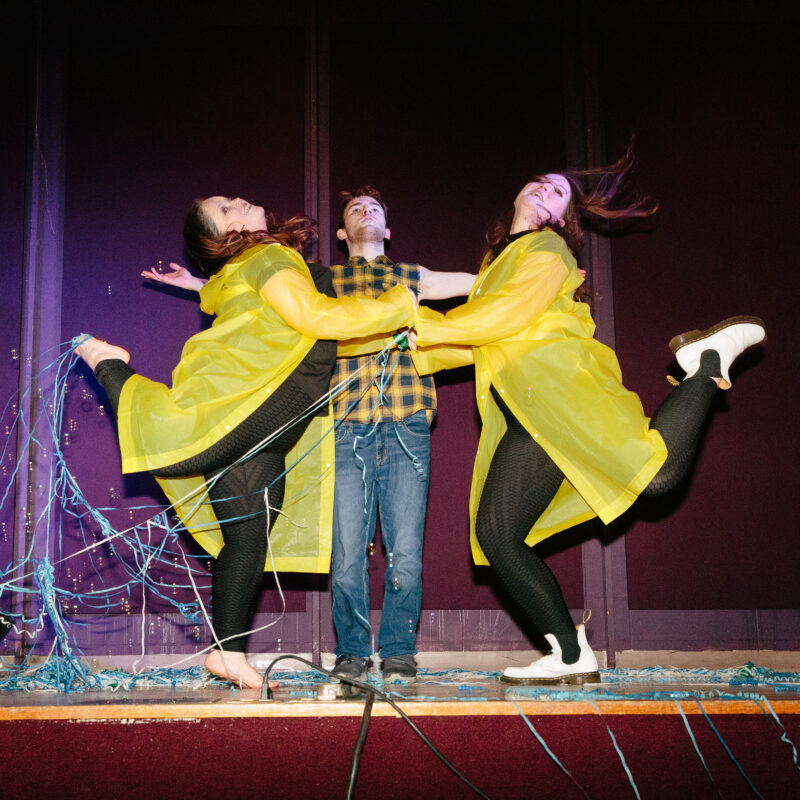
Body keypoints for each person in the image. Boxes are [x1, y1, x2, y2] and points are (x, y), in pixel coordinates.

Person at [411, 149, 765, 684]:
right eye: (538, 182)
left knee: (657, 477)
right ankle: (571, 655)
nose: (544, 192)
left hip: (560, 394)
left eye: (558, 193)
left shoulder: (546, 248)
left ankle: (705, 361)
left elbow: (505, 316)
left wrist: (426, 330)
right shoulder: (496, 266)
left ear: (562, 219)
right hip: (530, 409)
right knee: (498, 535)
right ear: (516, 195)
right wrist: (415, 350)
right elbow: (481, 336)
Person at [78, 196, 416, 690]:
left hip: (257, 399)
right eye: (229, 204)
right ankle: (109, 363)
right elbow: (316, 316)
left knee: (247, 536)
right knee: (180, 441)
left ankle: (229, 654)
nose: (243, 199)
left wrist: (198, 284)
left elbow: (244, 294)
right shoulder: (271, 256)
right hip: (249, 396)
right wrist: (400, 303)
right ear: (229, 227)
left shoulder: (252, 264)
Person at [144, 187, 476, 682]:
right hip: (343, 425)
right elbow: (259, 295)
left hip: (407, 422)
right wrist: (196, 283)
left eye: (375, 209)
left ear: (387, 229)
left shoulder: (412, 278)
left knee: (405, 549)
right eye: (354, 209)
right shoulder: (321, 280)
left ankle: (400, 651)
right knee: (346, 554)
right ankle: (351, 655)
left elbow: (478, 285)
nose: (365, 211)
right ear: (341, 234)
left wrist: (532, 285)